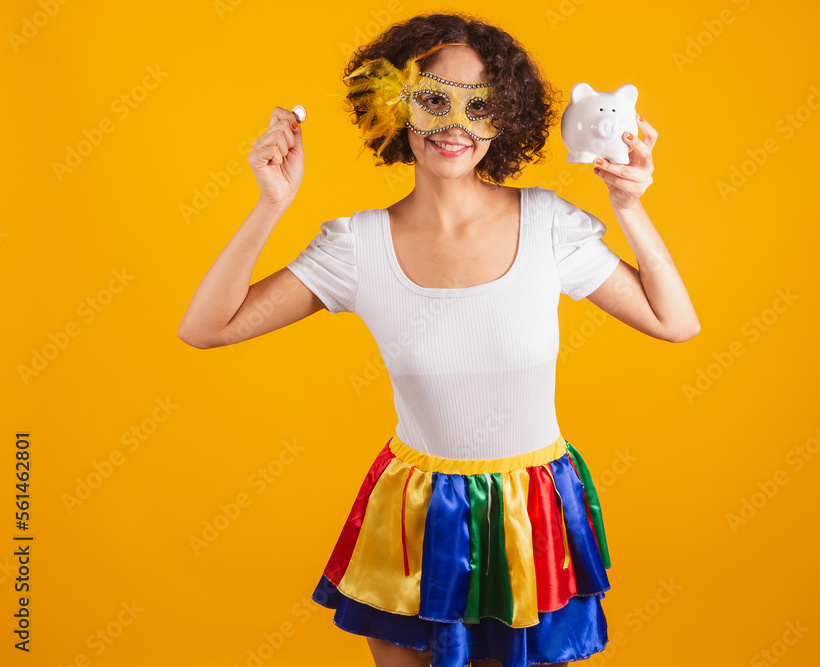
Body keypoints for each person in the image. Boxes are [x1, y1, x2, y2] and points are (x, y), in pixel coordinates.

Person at [177, 11, 699, 667]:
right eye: (433, 99)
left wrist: (630, 207)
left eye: (479, 106)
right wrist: (270, 203)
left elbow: (675, 322)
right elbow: (206, 327)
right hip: (414, 516)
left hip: (529, 512)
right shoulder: (356, 246)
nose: (455, 126)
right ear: (395, 107)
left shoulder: (550, 226)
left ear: (503, 118)